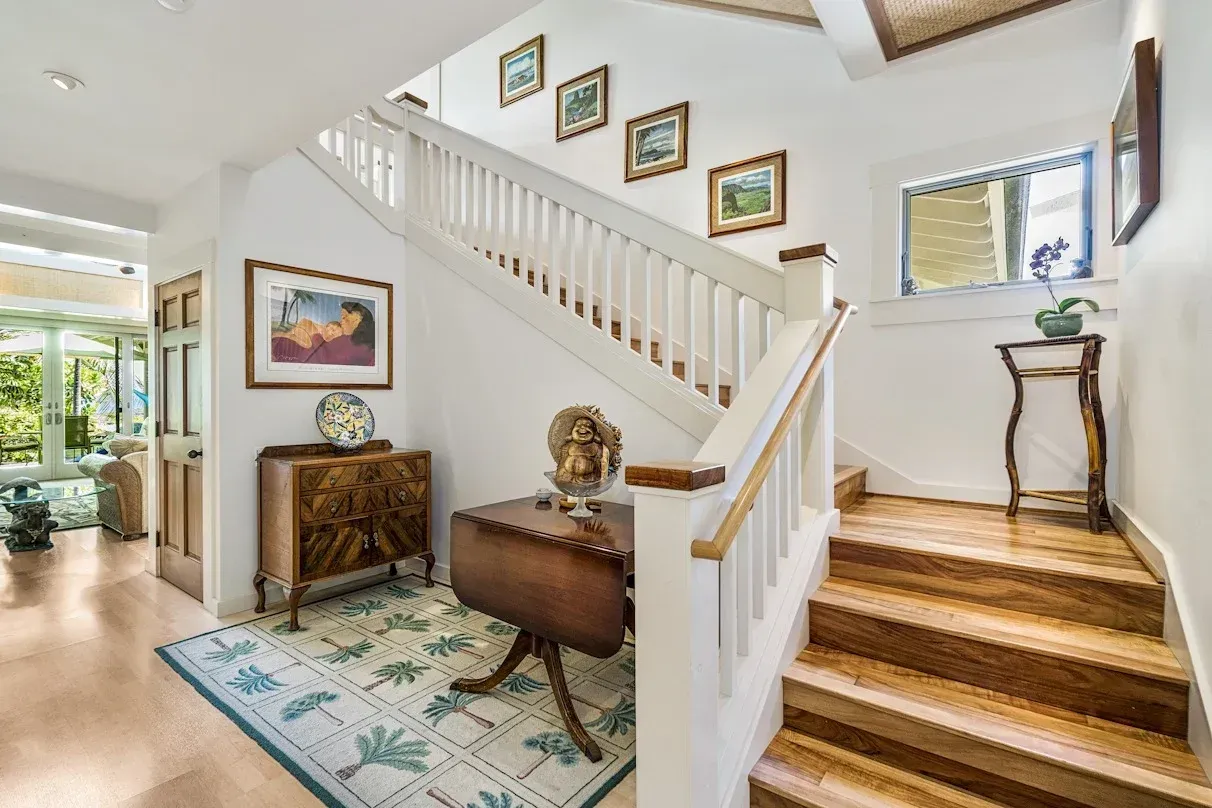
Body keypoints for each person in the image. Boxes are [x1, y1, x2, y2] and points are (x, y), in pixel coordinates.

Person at [271, 300, 375, 367]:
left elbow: (329, 357)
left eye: (344, 316)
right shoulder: (347, 337)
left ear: (357, 317)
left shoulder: (357, 342)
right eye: (341, 317)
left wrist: (317, 337)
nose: (342, 320)